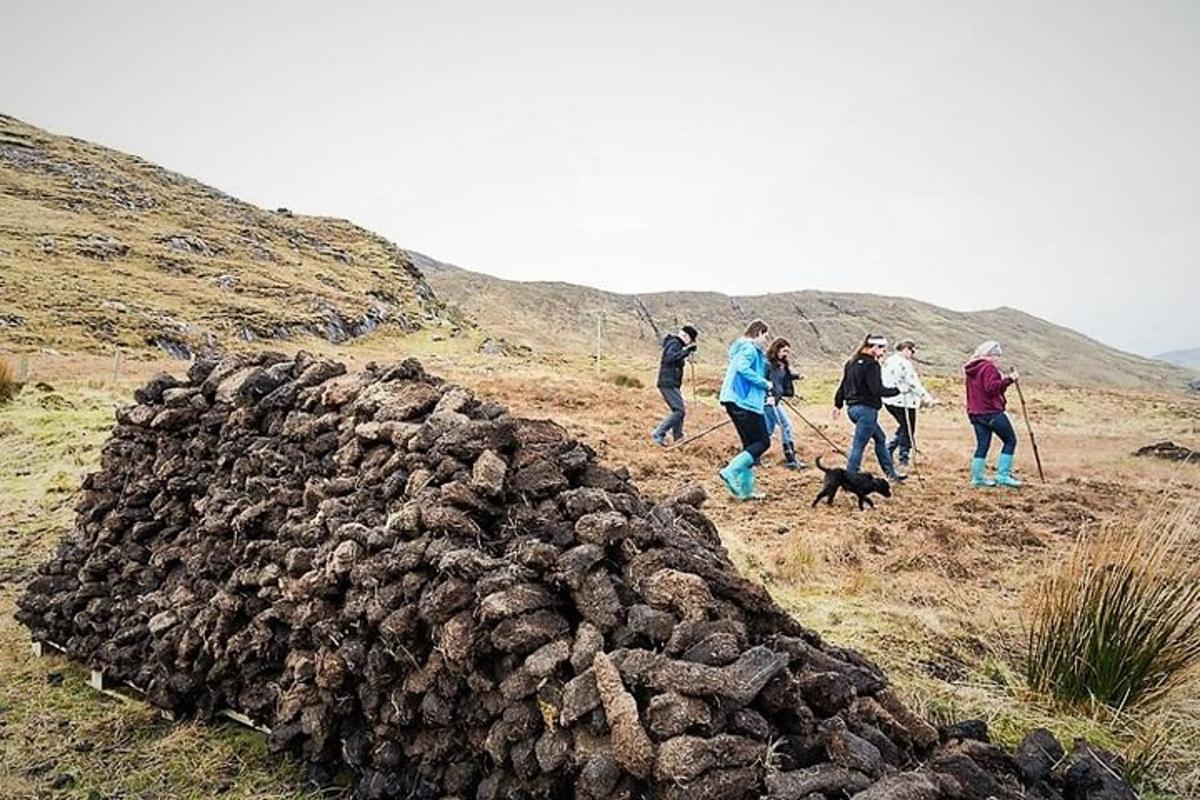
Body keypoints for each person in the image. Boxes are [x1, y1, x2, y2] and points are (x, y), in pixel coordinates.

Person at [833, 335, 906, 481]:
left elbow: (842, 386)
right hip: (866, 410)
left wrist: (838, 404)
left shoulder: (851, 362)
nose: (884, 352)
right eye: (882, 349)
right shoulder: (872, 365)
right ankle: (851, 477)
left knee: (880, 438)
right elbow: (877, 390)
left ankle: (891, 473)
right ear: (873, 347)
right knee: (859, 445)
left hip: (852, 409)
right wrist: (898, 390)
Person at [717, 319, 773, 499]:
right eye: (765, 336)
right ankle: (730, 471)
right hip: (744, 402)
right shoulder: (749, 348)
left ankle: (746, 491)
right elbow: (742, 368)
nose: (766, 341)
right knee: (763, 442)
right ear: (758, 332)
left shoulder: (743, 348)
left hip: (736, 400)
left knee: (750, 446)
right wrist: (765, 383)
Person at [964, 341, 1021, 488]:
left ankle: (977, 479)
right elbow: (991, 389)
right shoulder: (988, 367)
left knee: (982, 444)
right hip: (991, 412)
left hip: (975, 413)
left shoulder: (973, 369)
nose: (998, 359)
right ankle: (1003, 476)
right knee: (1010, 440)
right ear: (990, 355)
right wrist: (1009, 380)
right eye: (997, 355)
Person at [881, 339, 937, 467]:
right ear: (905, 349)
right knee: (908, 428)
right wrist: (927, 399)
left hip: (889, 400)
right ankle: (901, 455)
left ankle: (890, 449)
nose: (912, 354)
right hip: (904, 401)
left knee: (904, 426)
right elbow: (913, 384)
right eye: (912, 351)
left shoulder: (888, 361)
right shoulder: (904, 364)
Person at [651, 325, 698, 446]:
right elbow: (669, 358)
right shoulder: (675, 343)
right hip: (668, 383)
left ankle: (678, 438)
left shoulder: (675, 344)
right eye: (691, 340)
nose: (690, 343)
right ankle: (658, 434)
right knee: (679, 411)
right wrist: (686, 351)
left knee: (679, 410)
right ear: (687, 337)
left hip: (671, 383)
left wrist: (686, 352)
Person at [764, 337, 806, 469]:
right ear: (776, 349)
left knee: (768, 430)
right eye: (784, 351)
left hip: (776, 400)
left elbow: (784, 377)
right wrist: (768, 395)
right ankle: (791, 459)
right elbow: (763, 380)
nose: (786, 354)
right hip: (769, 401)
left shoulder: (783, 364)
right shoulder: (767, 364)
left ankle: (754, 455)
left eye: (787, 352)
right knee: (785, 425)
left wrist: (797, 376)